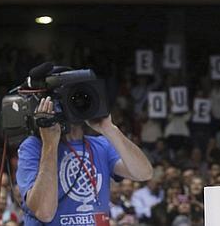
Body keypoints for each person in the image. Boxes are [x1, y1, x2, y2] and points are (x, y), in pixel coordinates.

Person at [16, 96, 153, 225]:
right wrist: (50, 143)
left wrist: (109, 129)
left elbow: (144, 173)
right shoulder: (33, 146)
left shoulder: (102, 145)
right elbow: (44, 212)